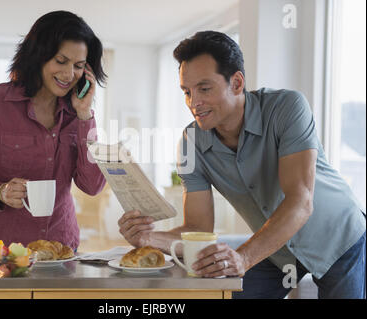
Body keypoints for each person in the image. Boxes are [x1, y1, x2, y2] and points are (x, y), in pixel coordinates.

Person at [118, 31, 366, 299]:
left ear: (236, 83)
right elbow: (198, 229)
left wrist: (244, 258)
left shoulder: (287, 107)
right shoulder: (191, 142)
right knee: (226, 295)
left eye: (204, 88)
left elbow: (300, 201)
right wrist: (148, 238)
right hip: (277, 250)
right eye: (186, 92)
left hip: (339, 237)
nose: (193, 103)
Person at [0, 11, 107, 253]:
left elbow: (92, 185)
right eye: (61, 61)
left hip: (58, 249)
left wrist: (85, 116)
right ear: (38, 56)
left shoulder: (78, 115)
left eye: (78, 66)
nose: (68, 74)